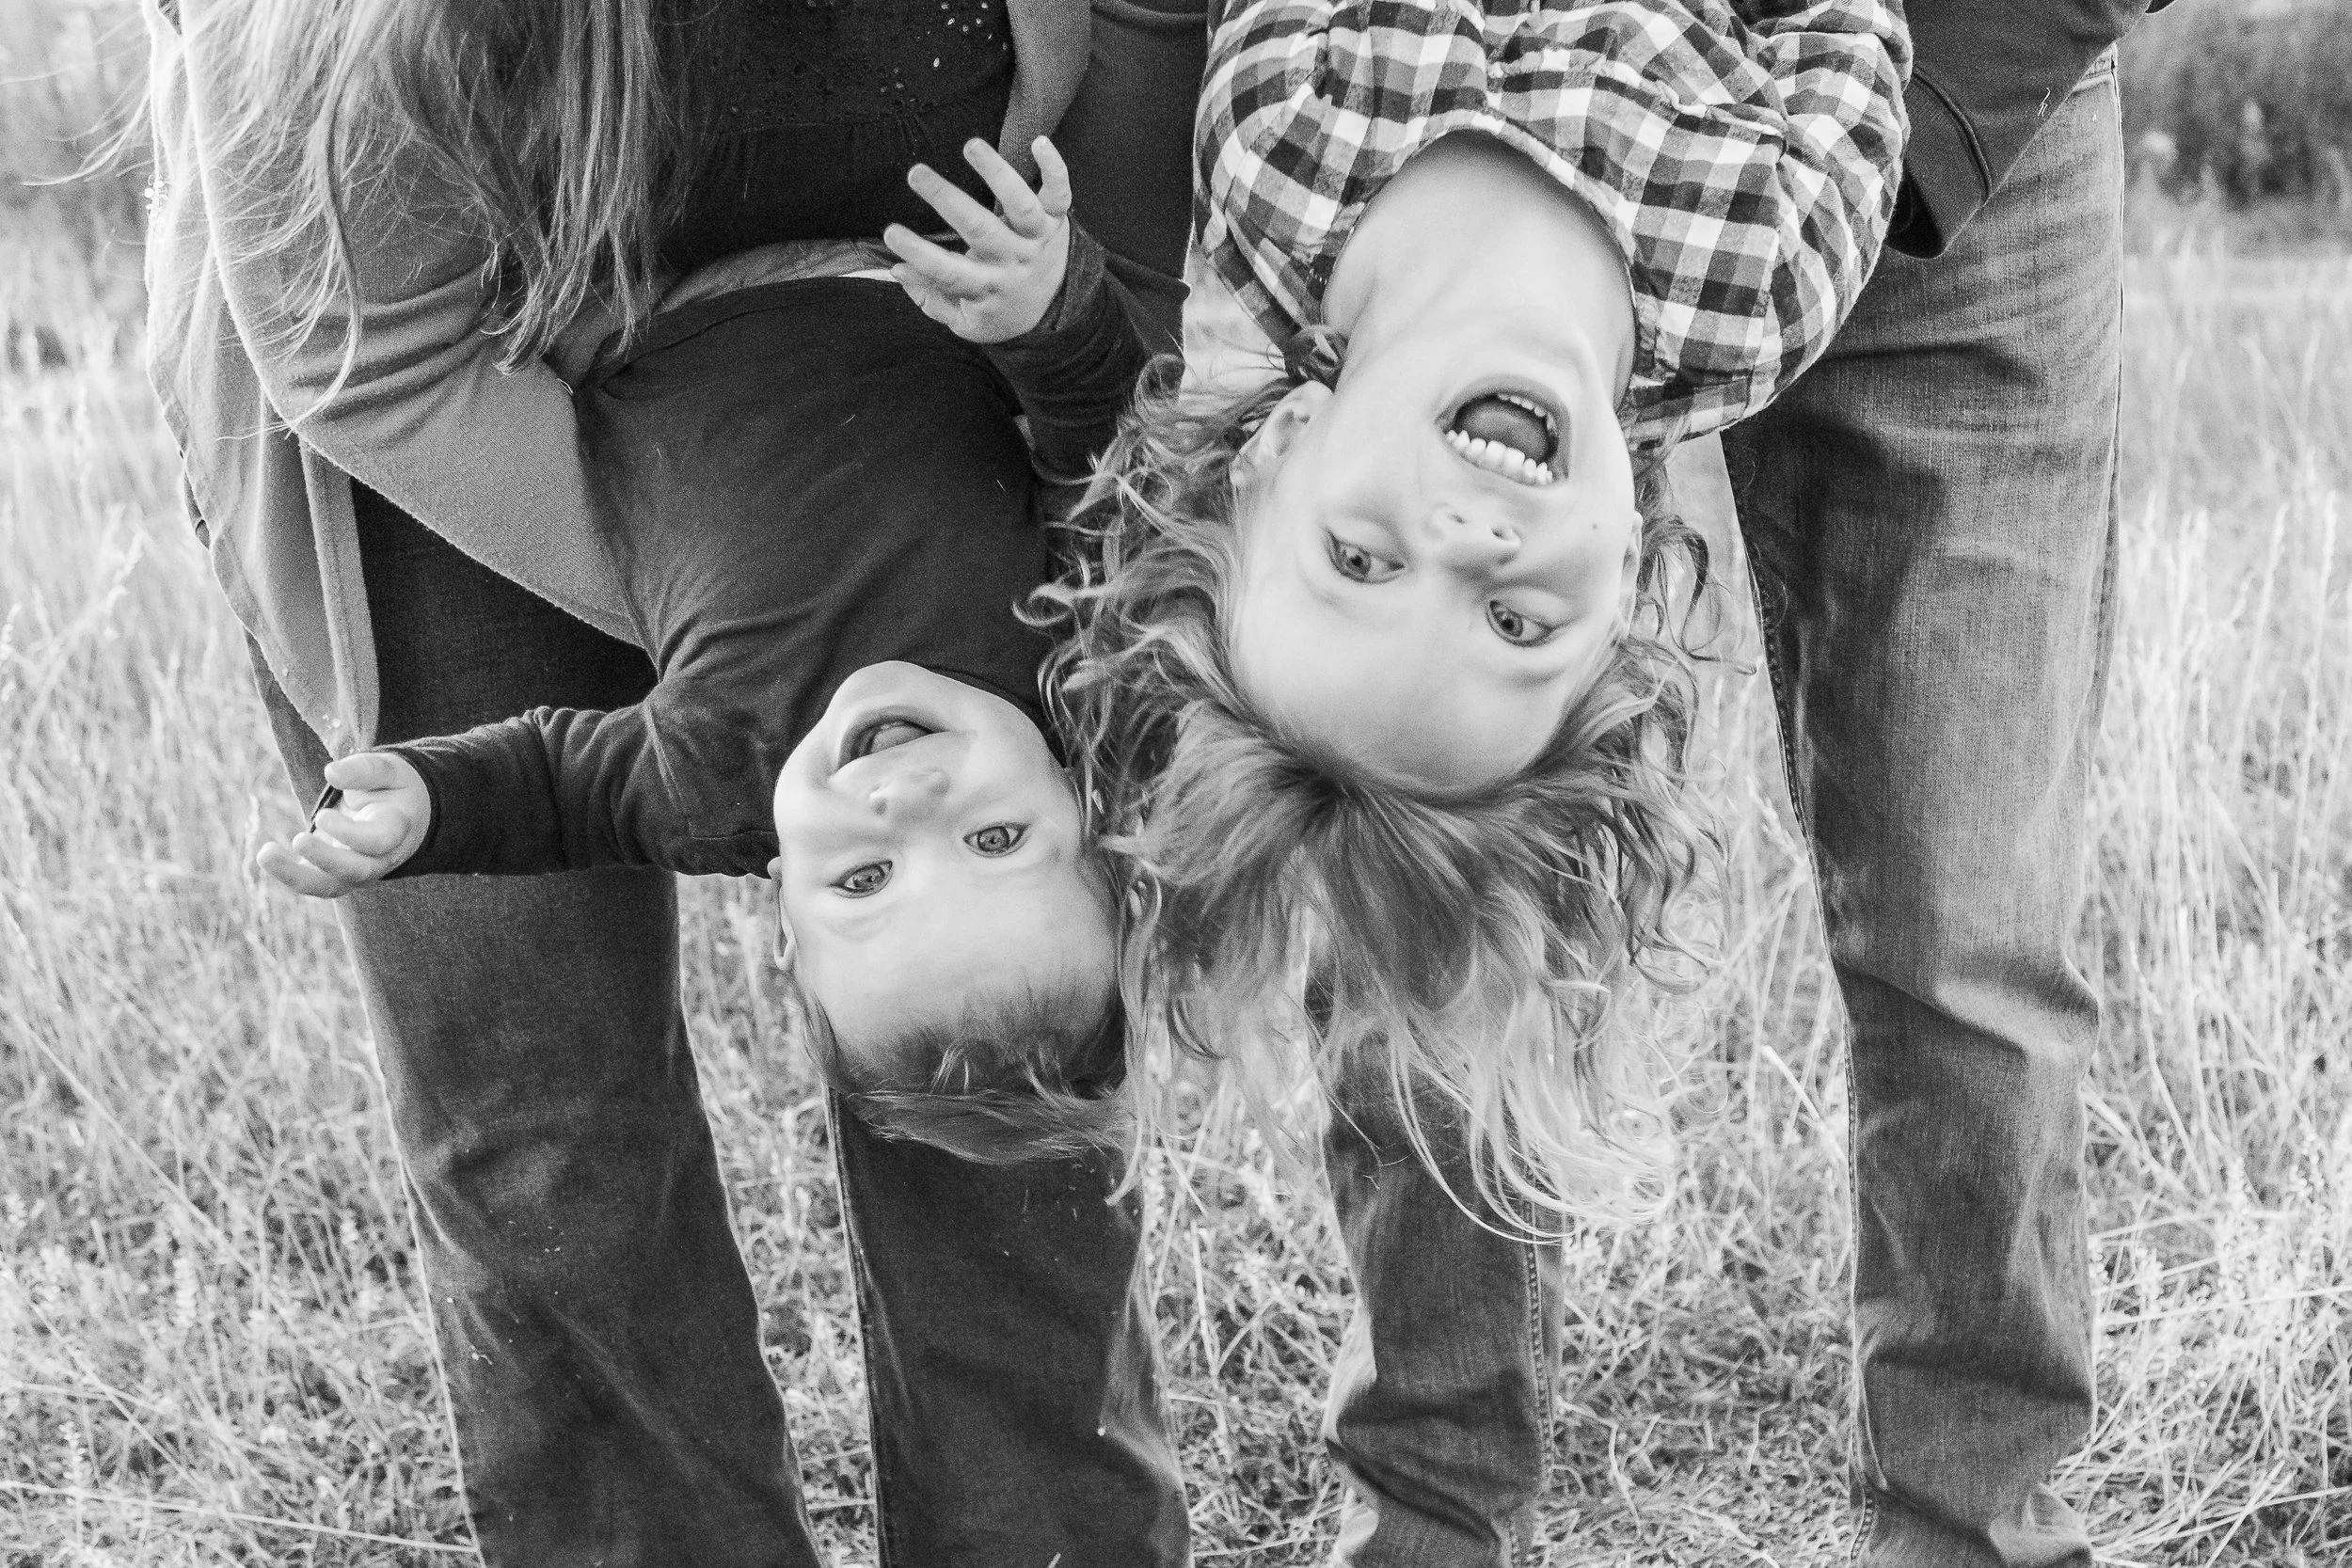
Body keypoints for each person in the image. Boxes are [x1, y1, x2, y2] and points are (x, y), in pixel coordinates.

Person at [143, 0, 1205, 1560]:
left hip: (924, 343)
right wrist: (748, 616)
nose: (918, 817)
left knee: (986, 1063)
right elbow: (361, 345)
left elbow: (1142, 50)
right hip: (436, 360)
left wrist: (1070, 305)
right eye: (972, 827)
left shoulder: (1019, 734)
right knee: (548, 1110)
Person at [1042, 0, 1909, 1232]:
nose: (1463, 544)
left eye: (1361, 557)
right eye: (1514, 626)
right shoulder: (1764, 281)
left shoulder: (1283, 154)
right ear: (1618, 591)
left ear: (1283, 448)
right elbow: (1846, 25)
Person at [255, 140, 1149, 1162]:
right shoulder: (1067, 658)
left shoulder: (718, 783)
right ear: (1085, 811)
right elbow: (1111, 454)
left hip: (630, 277)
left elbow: (556, 791)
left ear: (787, 929)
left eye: (863, 880)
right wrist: (1052, 310)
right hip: (893, 232)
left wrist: (431, 801)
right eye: (994, 840)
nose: (905, 807)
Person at [1716, 1, 2158, 1560]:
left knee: (1961, 927)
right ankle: (1436, 1528)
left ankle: (1966, 1527)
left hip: (1962, 129)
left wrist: (1911, 129)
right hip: (1549, 119)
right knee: (1448, 860)